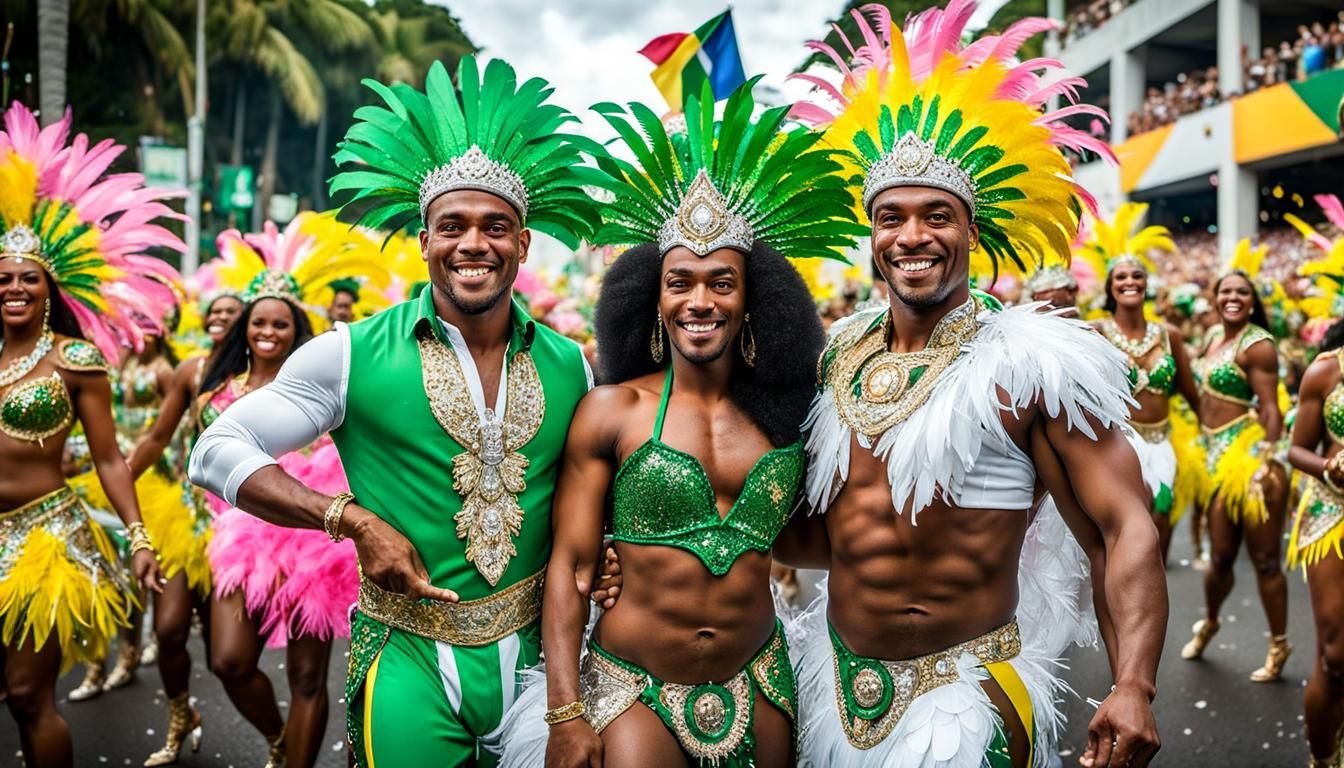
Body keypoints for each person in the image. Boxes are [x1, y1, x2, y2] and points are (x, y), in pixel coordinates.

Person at [188, 55, 603, 767]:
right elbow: (215, 451)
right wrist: (349, 519)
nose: (473, 244)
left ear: (523, 243)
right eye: (453, 226)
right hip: (408, 659)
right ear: (425, 241)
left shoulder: (572, 365)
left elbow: (594, 497)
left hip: (543, 672)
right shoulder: (349, 354)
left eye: (496, 227)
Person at [790, 3, 1166, 765]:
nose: (912, 236)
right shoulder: (836, 355)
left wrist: (1133, 684)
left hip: (963, 697)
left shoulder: (1032, 364)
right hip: (831, 682)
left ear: (972, 229)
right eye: (891, 218)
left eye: (937, 216)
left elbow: (1122, 528)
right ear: (872, 234)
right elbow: (822, 530)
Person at [496, 81, 863, 768]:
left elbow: (832, 533)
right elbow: (571, 566)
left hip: (762, 679)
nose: (700, 301)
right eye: (680, 283)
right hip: (634, 689)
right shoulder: (613, 411)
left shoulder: (792, 418)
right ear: (652, 297)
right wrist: (566, 713)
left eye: (721, 283)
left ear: (753, 301)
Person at [0, 101, 172, 767]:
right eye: (5, 278)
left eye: (28, 279)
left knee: (28, 696)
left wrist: (138, 537)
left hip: (44, 540)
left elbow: (108, 458)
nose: (15, 288)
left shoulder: (74, 361)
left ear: (51, 289)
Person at [122, 290, 241, 765]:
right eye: (215, 312)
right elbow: (158, 436)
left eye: (232, 313)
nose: (221, 318)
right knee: (169, 629)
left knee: (223, 654)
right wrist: (121, 479)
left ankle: (277, 740)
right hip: (187, 515)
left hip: (241, 525)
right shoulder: (193, 370)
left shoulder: (266, 372)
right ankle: (179, 714)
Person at [1182, 243, 1291, 683]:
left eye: (1241, 292)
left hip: (1246, 457)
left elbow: (1271, 408)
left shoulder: (1257, 344)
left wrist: (1267, 460)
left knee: (1265, 559)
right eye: (1225, 291)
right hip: (1211, 455)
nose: (1233, 297)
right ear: (1215, 297)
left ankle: (1279, 643)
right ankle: (1210, 620)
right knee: (1221, 556)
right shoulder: (1212, 336)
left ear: (1252, 301)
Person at [1082, 203, 1202, 562]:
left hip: (1162, 440)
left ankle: (1153, 590)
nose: (1130, 282)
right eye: (1121, 277)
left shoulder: (1169, 335)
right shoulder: (1096, 332)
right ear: (1110, 287)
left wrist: (1213, 434)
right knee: (1132, 527)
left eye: (1137, 276)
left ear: (1147, 285)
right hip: (1119, 441)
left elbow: (1191, 393)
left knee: (1162, 523)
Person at [1288, 319, 1344, 768]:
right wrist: (1330, 467)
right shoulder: (1326, 370)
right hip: (1333, 513)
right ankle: (1324, 759)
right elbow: (1297, 449)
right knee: (1336, 653)